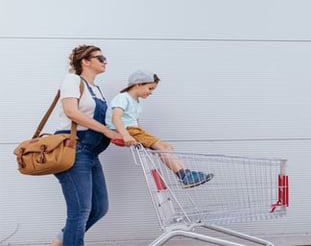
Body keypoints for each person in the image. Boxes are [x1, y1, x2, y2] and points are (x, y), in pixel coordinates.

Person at [51, 45, 122, 246]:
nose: (105, 61)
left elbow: (107, 119)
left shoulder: (97, 90)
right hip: (75, 150)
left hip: (91, 154)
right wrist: (106, 131)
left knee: (99, 208)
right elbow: (71, 112)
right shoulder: (72, 80)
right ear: (85, 61)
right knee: (80, 211)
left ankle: (58, 242)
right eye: (101, 58)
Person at [106, 70, 214, 188]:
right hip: (127, 130)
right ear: (138, 85)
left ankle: (186, 173)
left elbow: (136, 122)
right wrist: (125, 135)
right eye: (150, 88)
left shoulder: (136, 102)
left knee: (167, 148)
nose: (151, 92)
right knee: (163, 148)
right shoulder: (123, 97)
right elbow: (115, 118)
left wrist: (146, 141)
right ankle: (184, 176)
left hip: (135, 131)